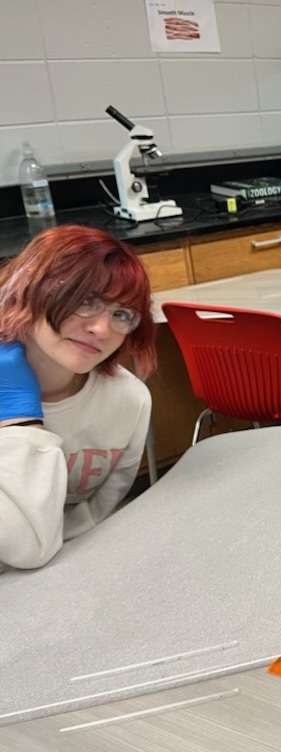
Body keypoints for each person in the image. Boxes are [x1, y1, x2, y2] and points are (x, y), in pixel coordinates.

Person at [0, 225, 157, 570]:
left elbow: (102, 511)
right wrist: (21, 420)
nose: (102, 329)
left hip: (78, 567)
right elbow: (25, 548)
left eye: (121, 314)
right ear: (29, 290)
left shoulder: (129, 402)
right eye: (85, 301)